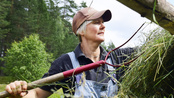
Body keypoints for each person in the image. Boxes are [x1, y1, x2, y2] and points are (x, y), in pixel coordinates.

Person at [5, 7, 136, 98]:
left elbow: (150, 51)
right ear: (81, 31)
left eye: (103, 22)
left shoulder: (117, 58)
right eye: (96, 22)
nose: (103, 26)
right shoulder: (66, 63)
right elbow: (38, 94)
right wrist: (17, 92)